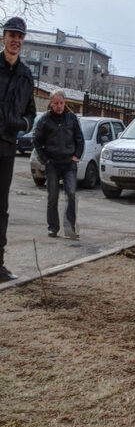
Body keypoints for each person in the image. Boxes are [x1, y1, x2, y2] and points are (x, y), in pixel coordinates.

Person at [0, 16, 36, 282]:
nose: (16, 40)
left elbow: (31, 114)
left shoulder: (26, 75)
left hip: (6, 147)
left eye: (20, 37)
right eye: (12, 35)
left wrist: (19, 124)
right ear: (4, 37)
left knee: (1, 207)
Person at [34, 90, 84, 241]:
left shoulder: (71, 118)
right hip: (53, 164)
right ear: (51, 103)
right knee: (53, 197)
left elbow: (79, 139)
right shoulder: (44, 120)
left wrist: (77, 155)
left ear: (65, 102)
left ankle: (70, 229)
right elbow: (36, 141)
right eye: (55, 103)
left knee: (71, 194)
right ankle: (53, 228)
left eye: (61, 103)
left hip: (69, 164)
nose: (59, 106)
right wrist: (45, 160)